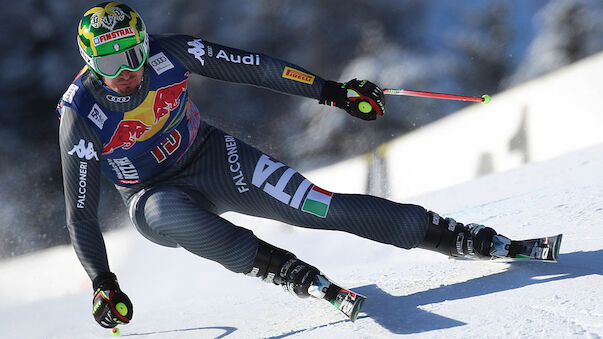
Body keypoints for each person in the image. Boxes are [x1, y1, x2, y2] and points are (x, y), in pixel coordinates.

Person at [58, 2, 509, 329]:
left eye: (133, 53)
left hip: (211, 156)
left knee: (318, 206)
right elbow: (79, 213)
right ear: (90, 63)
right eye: (110, 61)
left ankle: (453, 235)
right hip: (152, 194)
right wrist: (103, 281)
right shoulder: (81, 113)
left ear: (144, 43)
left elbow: (253, 67)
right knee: (166, 213)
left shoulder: (170, 53)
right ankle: (285, 270)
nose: (127, 70)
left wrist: (332, 92)